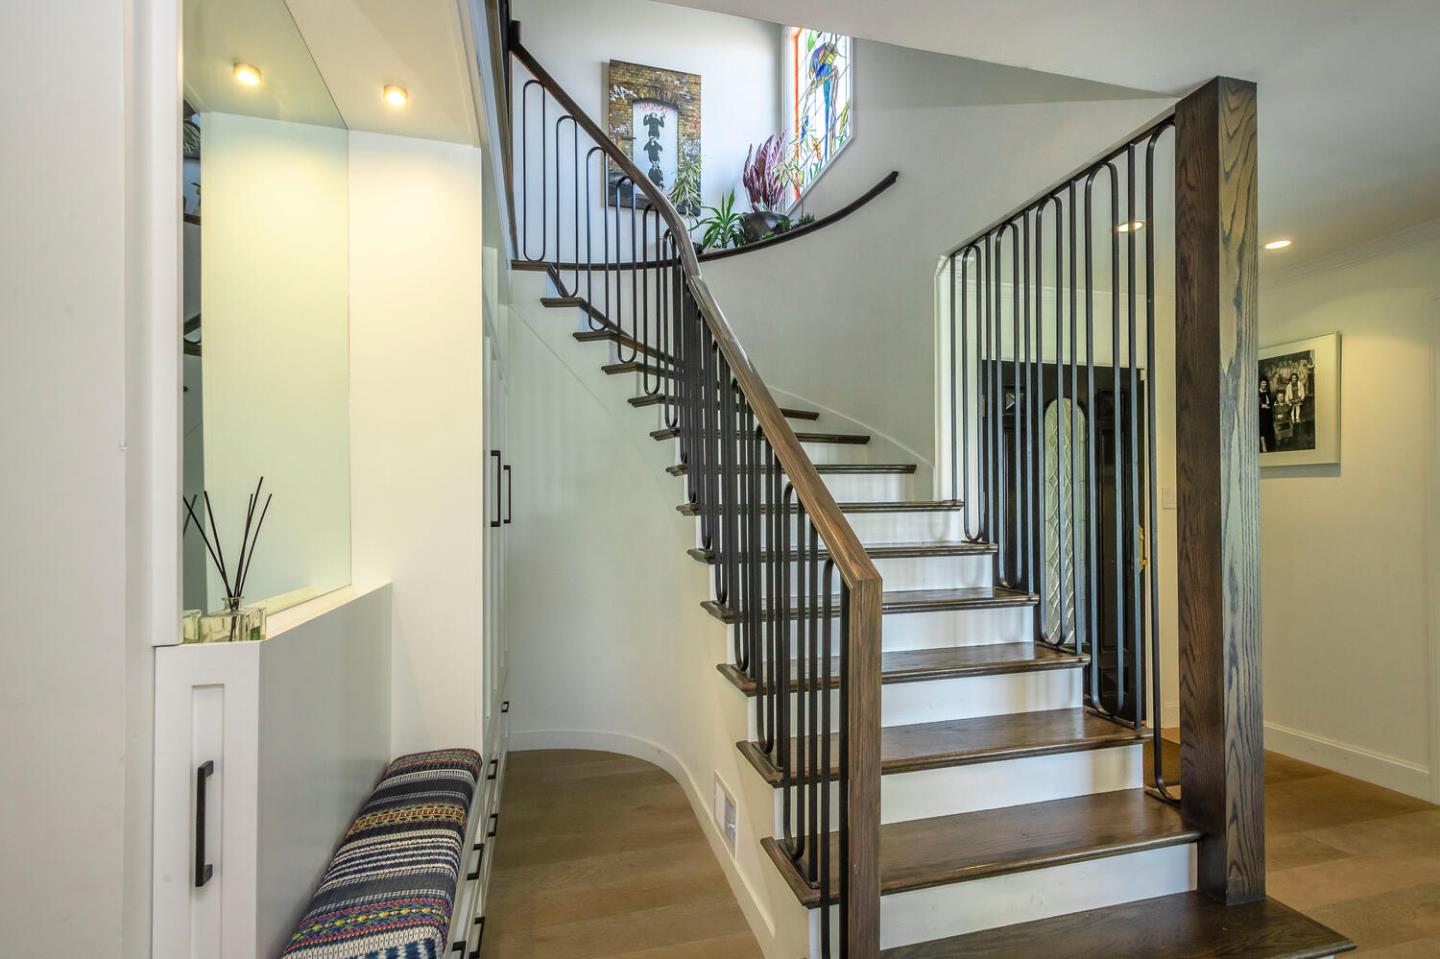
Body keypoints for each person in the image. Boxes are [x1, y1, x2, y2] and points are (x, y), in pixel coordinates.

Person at [1259, 376, 1276, 452]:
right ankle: (1263, 446)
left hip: (1268, 414)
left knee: (1269, 429)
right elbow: (1256, 403)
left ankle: (1270, 446)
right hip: (1261, 414)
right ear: (1260, 384)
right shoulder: (1258, 393)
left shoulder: (1268, 392)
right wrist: (1262, 406)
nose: (1264, 385)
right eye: (1262, 383)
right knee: (1262, 429)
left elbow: (1271, 401)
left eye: (1265, 383)